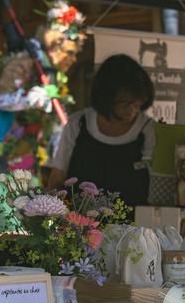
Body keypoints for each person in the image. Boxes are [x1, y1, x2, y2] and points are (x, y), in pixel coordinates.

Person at [47, 54, 155, 206]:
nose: (132, 108)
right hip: (79, 225)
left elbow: (155, 186)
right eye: (124, 101)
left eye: (137, 102)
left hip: (133, 226)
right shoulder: (78, 124)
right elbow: (57, 178)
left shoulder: (147, 130)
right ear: (107, 97)